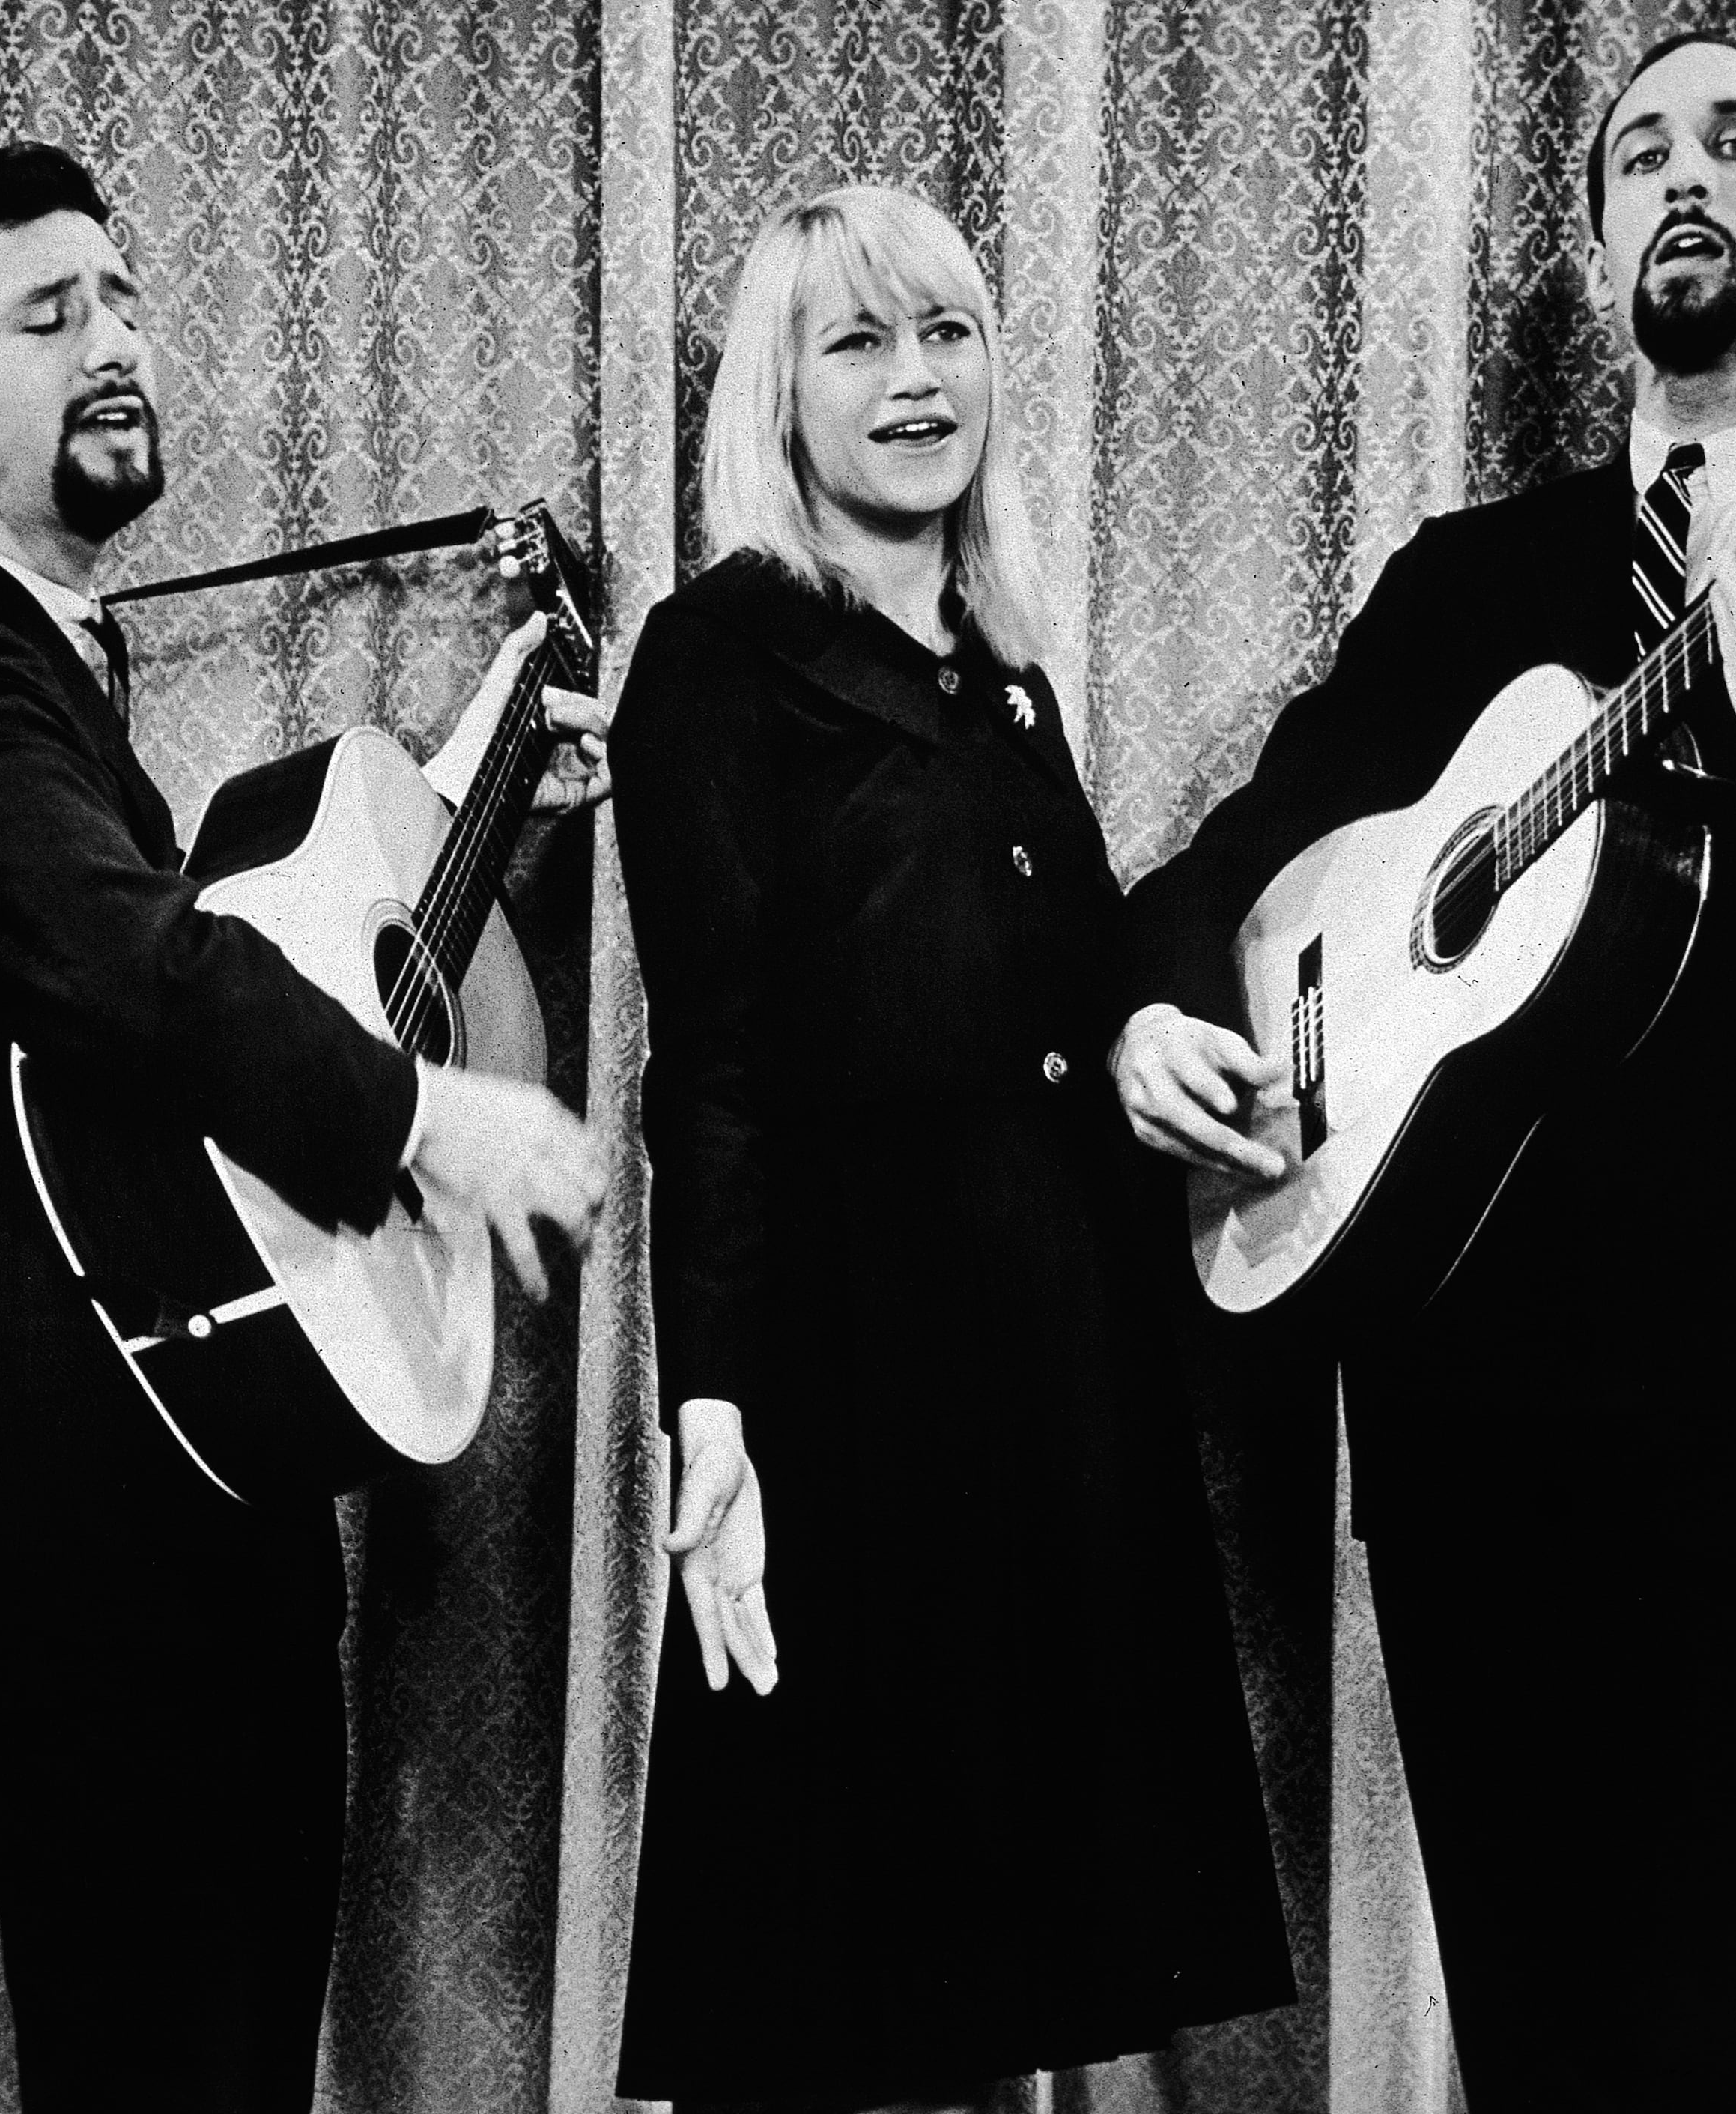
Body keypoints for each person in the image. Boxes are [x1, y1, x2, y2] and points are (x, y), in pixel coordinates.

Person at [1116, 33, 1736, 2113]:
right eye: (1644, 155)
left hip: (1733, 1402)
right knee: (1533, 2045)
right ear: (1603, 234)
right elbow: (1235, 864)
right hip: (1457, 1395)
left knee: (1707, 2040)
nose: (1686, 180)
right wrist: (1164, 1011)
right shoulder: (1473, 582)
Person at [0, 142, 606, 2113]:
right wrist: (434, 1118)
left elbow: (192, 1020)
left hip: (206, 1512)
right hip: (84, 1567)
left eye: (125, 299)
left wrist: (495, 801)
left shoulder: (57, 672)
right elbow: (141, 974)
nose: (117, 342)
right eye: (48, 312)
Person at [609, 185, 1293, 2114]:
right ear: (779, 393)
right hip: (855, 1400)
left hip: (1061, 1382)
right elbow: (713, 1070)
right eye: (859, 341)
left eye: (948, 334)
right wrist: (715, 1409)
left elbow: (1056, 1010)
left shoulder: (1004, 680)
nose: (917, 380)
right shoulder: (719, 656)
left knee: (1006, 2003)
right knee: (848, 2009)